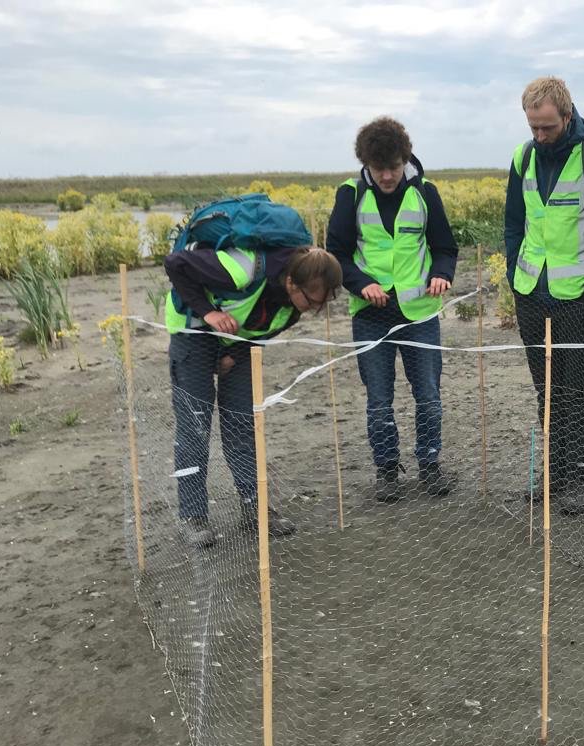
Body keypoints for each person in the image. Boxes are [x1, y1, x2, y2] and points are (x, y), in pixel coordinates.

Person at [504, 76, 584, 516]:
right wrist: (511, 271)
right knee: (547, 388)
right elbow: (513, 224)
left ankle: (579, 472)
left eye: (547, 127)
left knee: (579, 387)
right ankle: (554, 470)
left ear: (567, 113)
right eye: (533, 127)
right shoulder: (523, 157)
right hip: (530, 294)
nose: (539, 136)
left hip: (578, 297)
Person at [165, 244, 343, 547]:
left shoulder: (291, 309)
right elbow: (175, 264)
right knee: (195, 428)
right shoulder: (243, 268)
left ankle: (255, 509)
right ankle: (193, 516)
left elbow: (263, 331)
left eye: (321, 303)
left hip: (239, 344)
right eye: (311, 300)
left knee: (243, 426)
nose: (314, 309)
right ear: (291, 283)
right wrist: (208, 312)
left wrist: (232, 353)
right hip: (193, 332)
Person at [326, 116, 459, 503]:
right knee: (379, 398)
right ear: (366, 163)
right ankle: (386, 471)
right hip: (370, 315)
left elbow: (445, 248)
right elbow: (336, 254)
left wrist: (440, 274)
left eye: (394, 167)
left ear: (405, 159)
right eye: (379, 168)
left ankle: (430, 466)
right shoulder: (349, 195)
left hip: (420, 313)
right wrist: (361, 284)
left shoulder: (426, 193)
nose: (387, 176)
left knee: (429, 394)